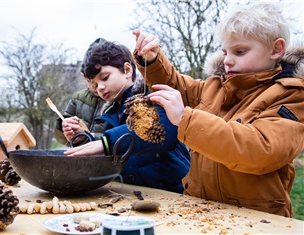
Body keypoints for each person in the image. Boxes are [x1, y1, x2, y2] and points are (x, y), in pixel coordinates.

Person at [132, 3, 304, 217]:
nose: (228, 60)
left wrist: (186, 118)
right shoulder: (217, 86)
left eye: (240, 51)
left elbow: (260, 149)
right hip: (200, 210)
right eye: (225, 51)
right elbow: (178, 87)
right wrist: (153, 60)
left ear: (276, 49)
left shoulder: (292, 96)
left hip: (256, 219)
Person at [64, 41, 190, 193]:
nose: (100, 88)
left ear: (127, 69)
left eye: (104, 78)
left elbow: (164, 130)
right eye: (95, 85)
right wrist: (83, 140)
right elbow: (112, 153)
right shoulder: (110, 114)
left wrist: (106, 143)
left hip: (175, 192)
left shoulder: (151, 94)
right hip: (136, 193)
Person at [55, 38, 107, 146]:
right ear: (83, 76)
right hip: (80, 158)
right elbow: (62, 140)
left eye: (101, 79)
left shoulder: (115, 99)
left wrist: (87, 136)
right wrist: (64, 127)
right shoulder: (77, 98)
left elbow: (119, 138)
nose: (95, 86)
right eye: (89, 80)